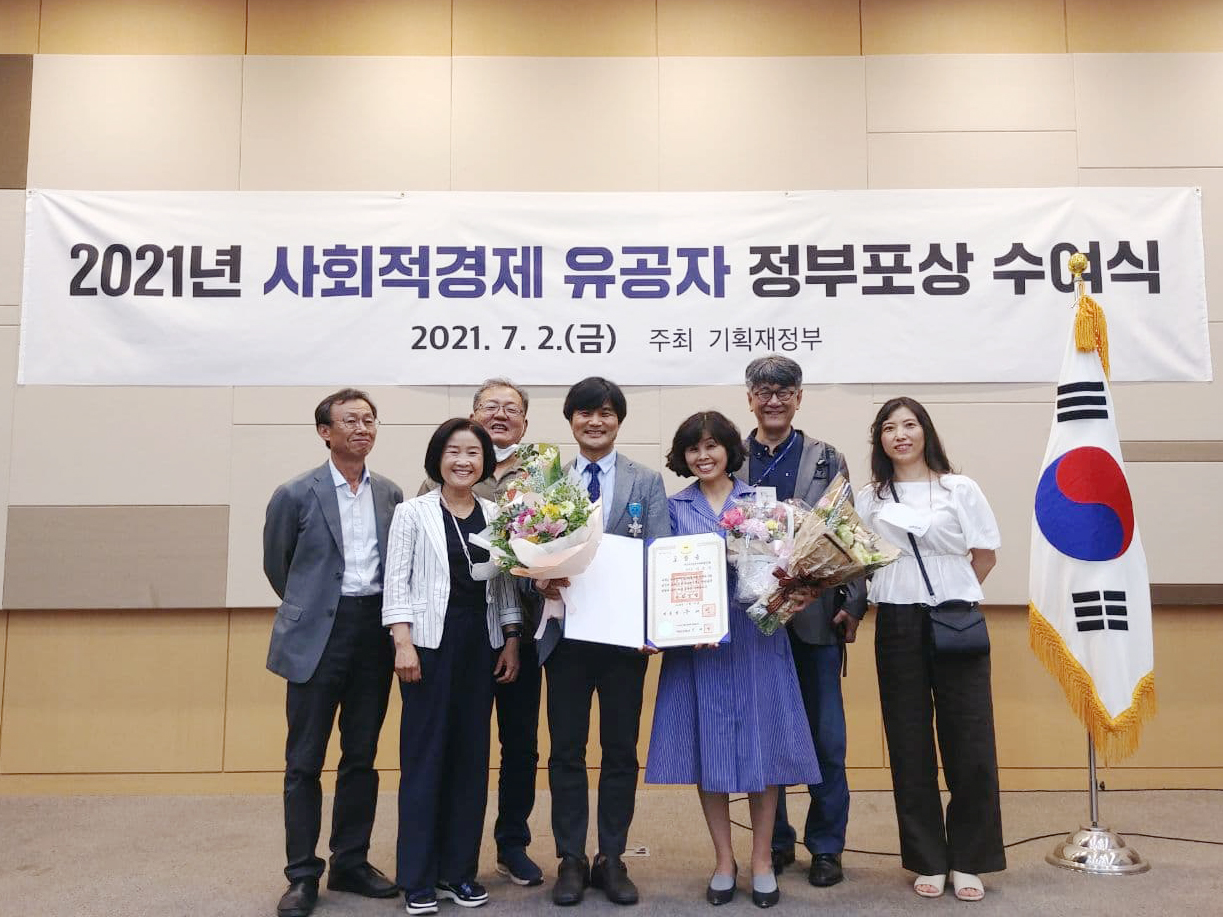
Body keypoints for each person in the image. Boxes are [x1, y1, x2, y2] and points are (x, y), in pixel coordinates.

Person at [645, 411, 822, 909]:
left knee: (763, 749)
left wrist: (798, 591)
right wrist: (675, 624)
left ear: (729, 450)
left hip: (756, 638)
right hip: (697, 645)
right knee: (711, 750)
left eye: (712, 445)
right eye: (693, 448)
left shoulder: (763, 504)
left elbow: (786, 570)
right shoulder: (673, 508)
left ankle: (762, 860)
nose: (703, 456)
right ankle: (724, 861)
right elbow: (660, 575)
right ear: (682, 457)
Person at [855, 397, 1005, 902]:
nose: (900, 435)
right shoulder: (871, 498)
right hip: (897, 620)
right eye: (889, 427)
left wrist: (951, 593)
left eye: (909, 425)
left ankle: (969, 859)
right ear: (879, 440)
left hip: (955, 617)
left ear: (926, 432)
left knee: (970, 738)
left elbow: (984, 556)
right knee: (908, 740)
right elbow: (858, 560)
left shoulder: (959, 488)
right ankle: (927, 858)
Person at [263, 388, 404, 917]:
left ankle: (351, 861)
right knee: (304, 761)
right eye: (350, 421)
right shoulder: (295, 493)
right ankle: (302, 874)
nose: (362, 428)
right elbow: (279, 566)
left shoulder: (390, 494)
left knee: (361, 755)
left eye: (369, 420)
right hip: (318, 635)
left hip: (373, 632)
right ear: (325, 432)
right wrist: (317, 608)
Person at [383, 418, 525, 915]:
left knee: (470, 759)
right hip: (428, 645)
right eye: (453, 451)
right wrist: (402, 642)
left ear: (485, 461)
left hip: (479, 643)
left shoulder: (496, 513)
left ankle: (458, 872)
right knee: (425, 758)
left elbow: (504, 584)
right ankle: (418, 877)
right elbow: (396, 581)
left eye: (473, 453)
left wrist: (511, 639)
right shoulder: (412, 512)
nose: (463, 461)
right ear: (437, 458)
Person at [733, 355, 865, 887]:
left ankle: (827, 846)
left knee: (825, 739)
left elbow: (850, 532)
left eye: (784, 392)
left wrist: (854, 602)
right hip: (754, 620)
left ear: (799, 398)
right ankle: (776, 841)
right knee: (766, 735)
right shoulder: (732, 457)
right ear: (749, 398)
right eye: (763, 391)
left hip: (814, 618)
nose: (773, 401)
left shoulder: (826, 458)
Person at [536, 376, 668, 907]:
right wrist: (539, 580)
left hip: (623, 643)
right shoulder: (548, 481)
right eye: (586, 413)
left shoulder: (646, 481)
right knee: (565, 751)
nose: (596, 422)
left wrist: (652, 627)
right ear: (571, 420)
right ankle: (570, 858)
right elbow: (526, 551)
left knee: (620, 751)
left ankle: (611, 857)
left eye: (606, 413)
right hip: (565, 639)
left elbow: (658, 554)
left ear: (619, 421)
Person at [418, 379, 545, 888]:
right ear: (473, 415)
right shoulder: (441, 477)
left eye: (511, 408)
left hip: (523, 631)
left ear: (524, 424)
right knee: (455, 742)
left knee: (521, 745)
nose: (500, 414)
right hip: (457, 637)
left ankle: (512, 844)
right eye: (490, 406)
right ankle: (446, 850)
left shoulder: (543, 474)